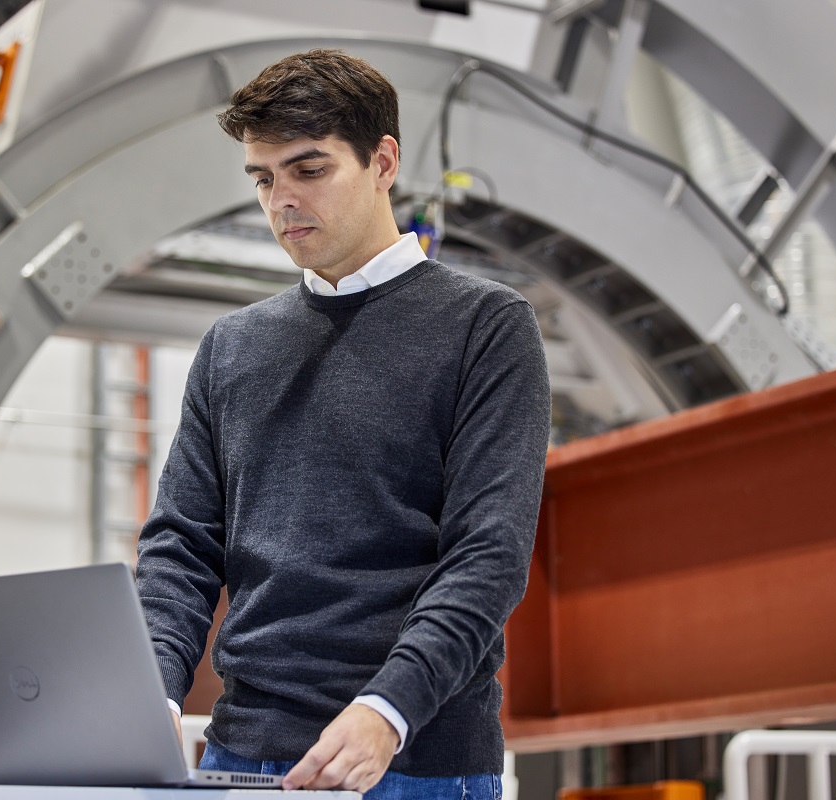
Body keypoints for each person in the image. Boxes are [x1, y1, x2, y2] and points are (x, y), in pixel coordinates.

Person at [134, 49, 550, 798]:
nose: (282, 201)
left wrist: (390, 709)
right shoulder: (232, 348)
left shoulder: (485, 327)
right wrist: (151, 694)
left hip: (412, 761)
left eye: (309, 169)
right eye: (264, 179)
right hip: (241, 756)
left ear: (382, 161)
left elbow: (488, 554)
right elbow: (180, 549)